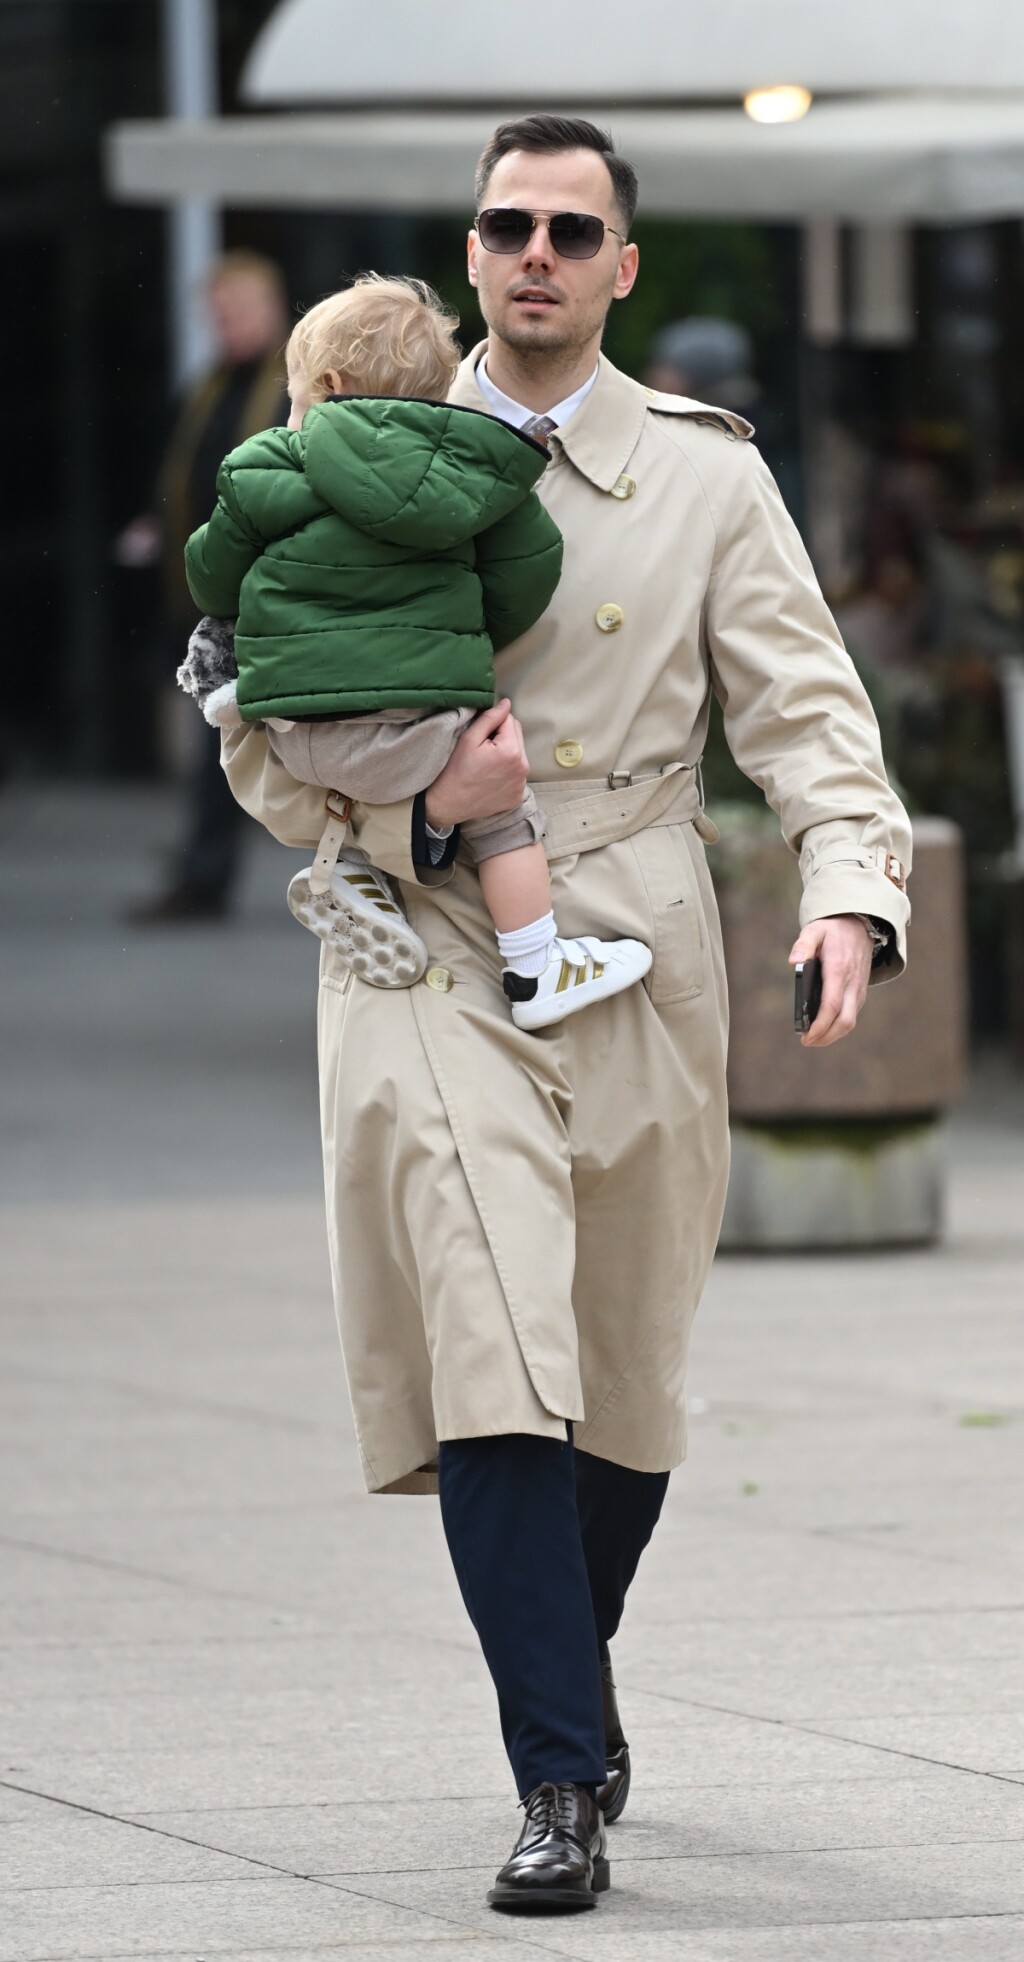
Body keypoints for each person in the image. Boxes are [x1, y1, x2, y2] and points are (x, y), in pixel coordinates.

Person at [220, 116, 912, 1912]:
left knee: (618, 1372)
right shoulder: (328, 447)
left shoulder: (701, 477)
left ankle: (568, 1680)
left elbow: (807, 714)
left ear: (620, 268)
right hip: (419, 936)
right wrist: (415, 806)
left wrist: (848, 890)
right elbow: (252, 732)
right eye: (502, 222)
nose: (531, 250)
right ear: (467, 255)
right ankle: (554, 1778)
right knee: (492, 1351)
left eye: (568, 227)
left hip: (642, 943)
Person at [178, 275, 651, 1027]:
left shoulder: (266, 463)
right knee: (502, 813)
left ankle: (354, 873)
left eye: (298, 394)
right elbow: (531, 570)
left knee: (354, 784)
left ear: (327, 385)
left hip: (296, 735)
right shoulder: (470, 468)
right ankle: (535, 966)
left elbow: (209, 578)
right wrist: (465, 629)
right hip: (424, 735)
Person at [123, 251, 290, 921]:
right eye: (218, 315)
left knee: (240, 739)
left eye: (237, 313)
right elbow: (181, 474)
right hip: (214, 598)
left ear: (272, 311)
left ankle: (205, 869)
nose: (226, 326)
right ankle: (204, 867)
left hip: (269, 599)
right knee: (223, 738)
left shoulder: (288, 388)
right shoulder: (209, 387)